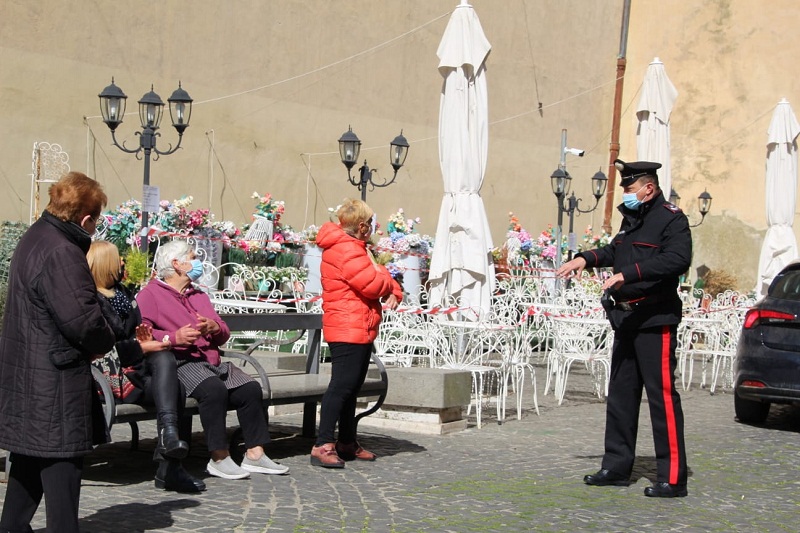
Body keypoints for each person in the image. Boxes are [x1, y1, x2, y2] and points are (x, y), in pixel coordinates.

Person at [556, 159, 692, 498]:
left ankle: (673, 478)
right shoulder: (633, 219)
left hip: (654, 319)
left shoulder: (672, 219)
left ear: (648, 188)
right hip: (626, 318)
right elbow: (615, 249)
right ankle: (616, 467)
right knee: (621, 395)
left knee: (661, 399)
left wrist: (628, 274)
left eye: (630, 189)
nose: (626, 194)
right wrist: (585, 258)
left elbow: (677, 260)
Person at [0, 172, 116, 532]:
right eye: (95, 220)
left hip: (31, 371)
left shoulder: (36, 236)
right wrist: (109, 338)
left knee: (29, 461)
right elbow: (82, 321)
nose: (95, 227)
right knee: (61, 471)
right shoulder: (63, 251)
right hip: (54, 378)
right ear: (85, 218)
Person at [135, 239, 288, 480]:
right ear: (177, 264)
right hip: (180, 361)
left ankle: (255, 454)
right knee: (213, 390)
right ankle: (219, 457)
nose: (198, 262)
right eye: (193, 257)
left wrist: (214, 327)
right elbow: (142, 333)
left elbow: (224, 332)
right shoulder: (150, 294)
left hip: (211, 360)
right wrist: (173, 337)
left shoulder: (198, 295)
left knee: (250, 389)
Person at [87, 240, 205, 493]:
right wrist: (140, 347)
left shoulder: (122, 294)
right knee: (174, 385)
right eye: (118, 258)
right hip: (107, 377)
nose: (122, 262)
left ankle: (169, 449)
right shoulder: (89, 299)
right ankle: (170, 462)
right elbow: (97, 348)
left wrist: (143, 340)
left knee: (169, 370)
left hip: (134, 371)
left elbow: (135, 337)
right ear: (104, 263)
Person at [310, 199, 402, 468]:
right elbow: (372, 284)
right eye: (371, 223)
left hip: (358, 325)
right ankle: (322, 444)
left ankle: (347, 442)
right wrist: (385, 275)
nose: (374, 227)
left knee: (351, 389)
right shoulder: (346, 249)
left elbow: (377, 278)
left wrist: (388, 282)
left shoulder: (355, 248)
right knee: (340, 387)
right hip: (347, 326)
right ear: (362, 226)